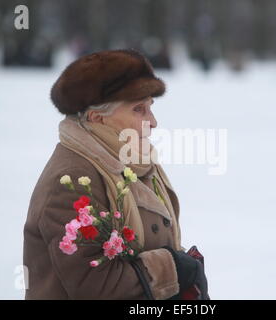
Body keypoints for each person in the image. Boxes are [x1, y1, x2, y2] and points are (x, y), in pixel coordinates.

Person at [23, 48, 209, 300]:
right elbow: (93, 284)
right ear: (97, 117)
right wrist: (173, 269)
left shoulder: (134, 161)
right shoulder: (72, 180)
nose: (153, 121)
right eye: (138, 109)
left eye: (150, 107)